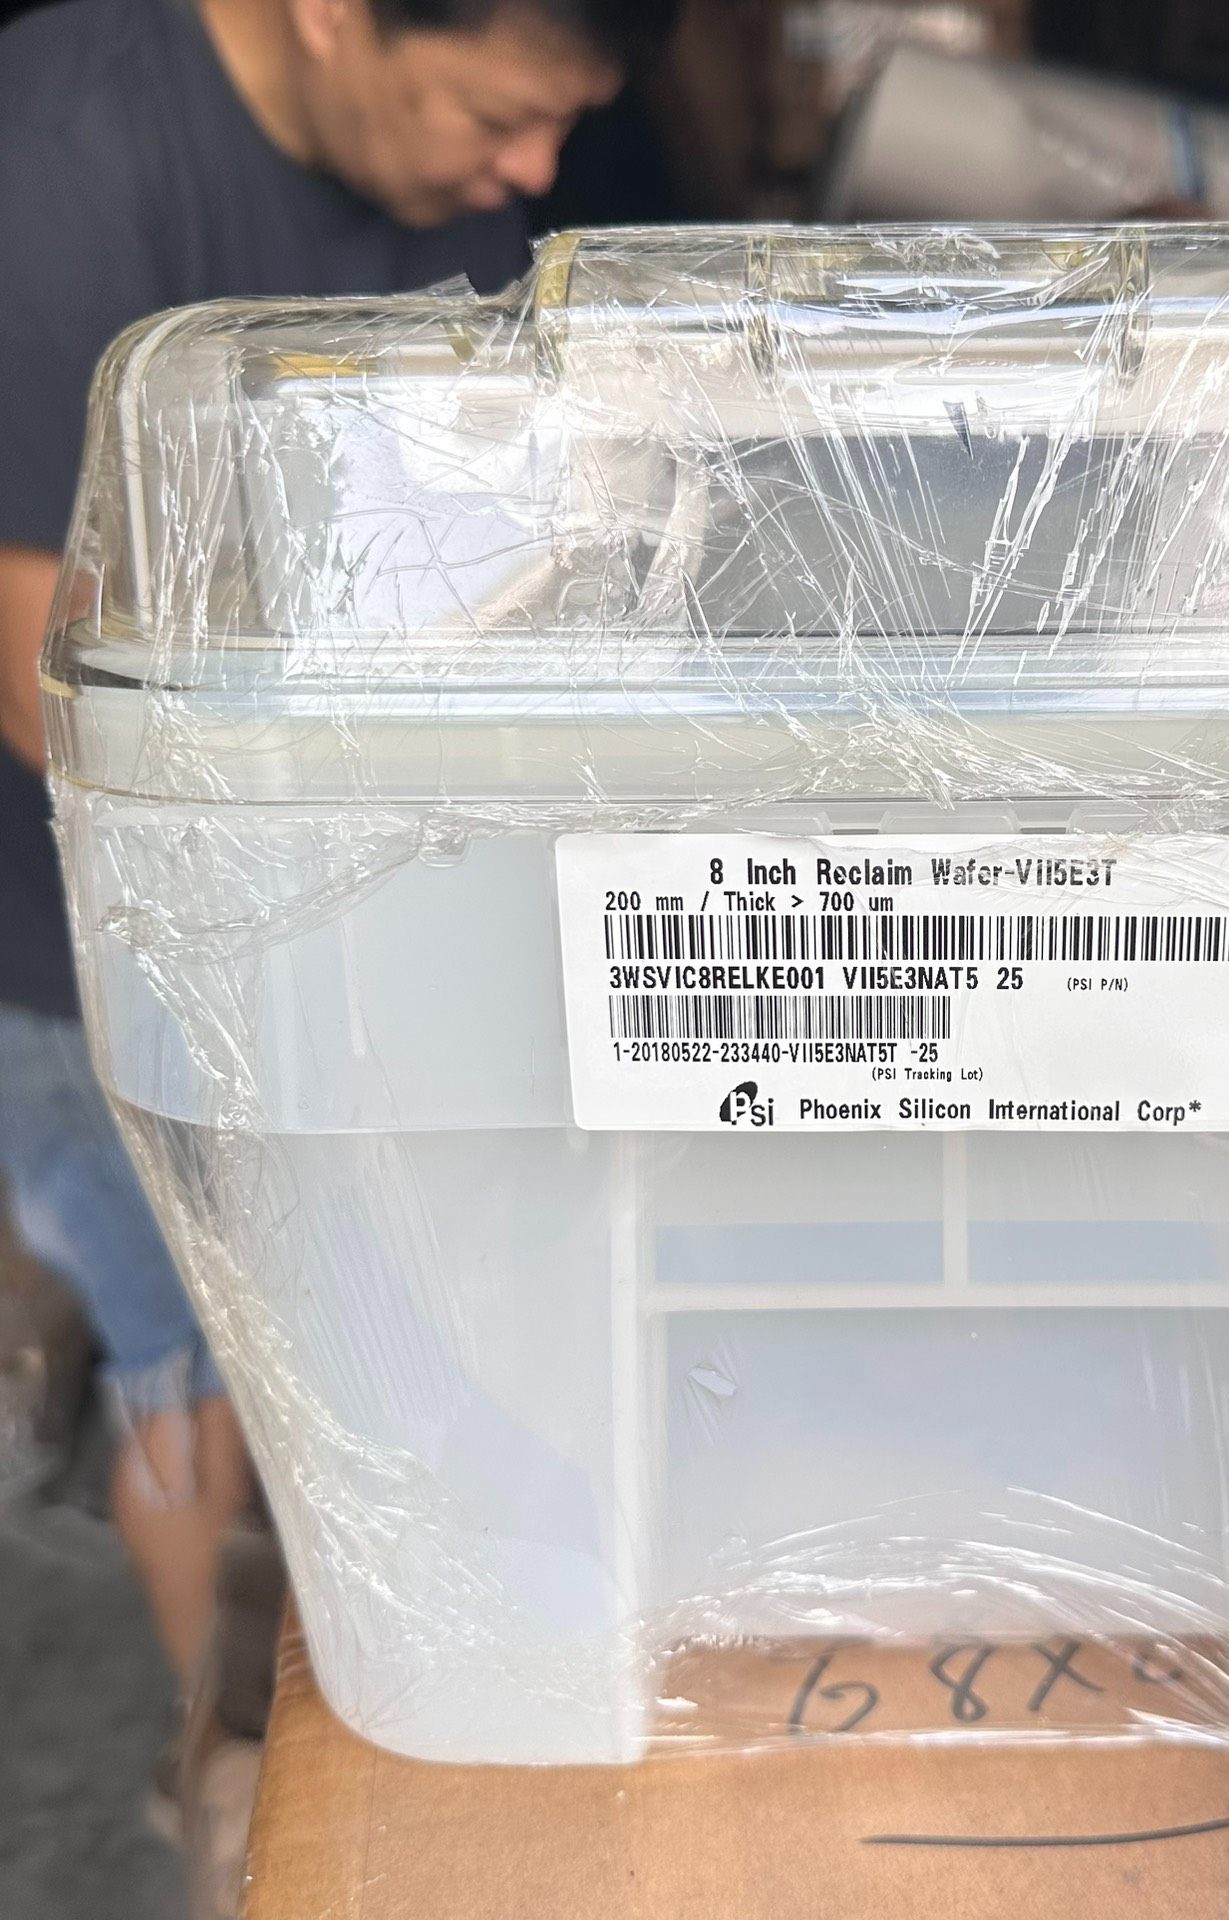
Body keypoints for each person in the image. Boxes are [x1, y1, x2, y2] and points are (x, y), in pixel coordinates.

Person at [0, 0, 656, 1766]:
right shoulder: (63, 163)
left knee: (406, 1307)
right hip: (91, 929)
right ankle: (226, 1770)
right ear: (331, 14)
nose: (529, 171)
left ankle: (410, 1693)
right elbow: (42, 672)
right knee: (200, 1356)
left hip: (364, 876)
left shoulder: (440, 171)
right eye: (499, 117)